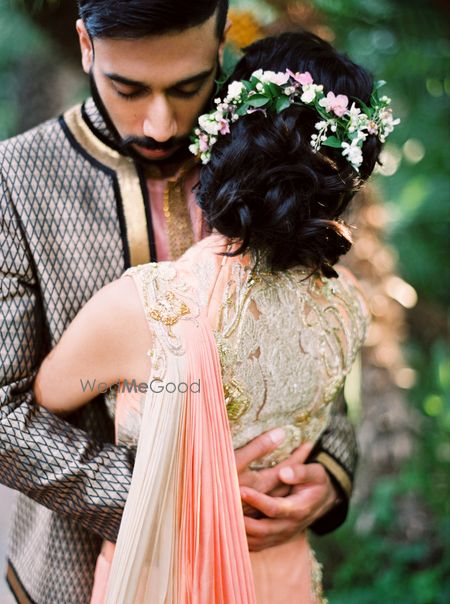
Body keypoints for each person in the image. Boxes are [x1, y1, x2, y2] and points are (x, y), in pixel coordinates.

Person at [0, 2, 358, 602]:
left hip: (261, 573)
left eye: (189, 88)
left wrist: (328, 475)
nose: (161, 124)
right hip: (61, 575)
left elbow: (314, 338)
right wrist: (176, 499)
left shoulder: (272, 155)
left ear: (220, 44)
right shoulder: (15, 178)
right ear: (86, 44)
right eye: (128, 87)